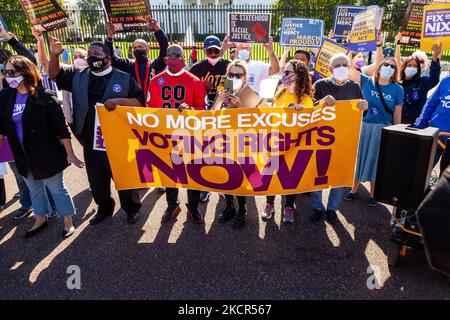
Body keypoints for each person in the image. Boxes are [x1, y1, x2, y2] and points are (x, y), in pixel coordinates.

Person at [48, 36, 144, 225]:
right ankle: (104, 207)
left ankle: (131, 208)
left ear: (108, 58)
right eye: (90, 54)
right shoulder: (77, 75)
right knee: (96, 178)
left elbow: (140, 103)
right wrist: (54, 55)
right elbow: (54, 75)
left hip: (118, 139)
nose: (91, 57)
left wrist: (118, 102)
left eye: (96, 54)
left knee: (123, 175)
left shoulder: (124, 79)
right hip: (90, 138)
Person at [0, 55, 84, 238]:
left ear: (25, 72)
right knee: (34, 188)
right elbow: (1, 127)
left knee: (56, 188)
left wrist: (71, 154)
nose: (7, 76)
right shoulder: (5, 96)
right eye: (4, 72)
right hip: (22, 153)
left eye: (11, 72)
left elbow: (61, 128)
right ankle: (40, 217)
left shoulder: (44, 96)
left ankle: (67, 220)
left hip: (46, 153)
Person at [147, 44, 207, 224]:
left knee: (193, 174)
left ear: (183, 58)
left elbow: (203, 109)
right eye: (170, 56)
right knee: (169, 173)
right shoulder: (155, 81)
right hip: (166, 137)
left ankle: (193, 208)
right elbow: (149, 110)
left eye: (177, 55)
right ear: (165, 59)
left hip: (189, 136)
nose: (174, 59)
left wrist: (190, 110)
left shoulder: (194, 81)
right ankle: (172, 205)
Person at [310, 53, 368, 222]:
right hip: (321, 137)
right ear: (329, 69)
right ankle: (316, 206)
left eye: (345, 64)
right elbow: (309, 112)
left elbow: (359, 115)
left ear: (350, 67)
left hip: (344, 139)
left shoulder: (354, 87)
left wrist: (364, 107)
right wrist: (320, 102)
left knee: (339, 174)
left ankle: (333, 208)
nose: (342, 68)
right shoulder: (320, 85)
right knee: (318, 172)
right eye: (337, 65)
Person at [346, 56, 403, 206]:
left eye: (392, 66)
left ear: (395, 71)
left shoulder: (397, 89)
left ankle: (373, 194)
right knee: (359, 158)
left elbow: (397, 113)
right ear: (379, 66)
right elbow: (348, 68)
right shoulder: (366, 81)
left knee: (375, 161)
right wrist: (351, 48)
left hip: (382, 129)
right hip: (363, 126)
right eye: (386, 64)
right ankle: (354, 189)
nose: (388, 68)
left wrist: (396, 134)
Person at [262, 59, 314, 223]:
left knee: (291, 178)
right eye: (284, 72)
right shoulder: (280, 93)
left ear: (297, 76)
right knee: (270, 175)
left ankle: (288, 207)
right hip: (276, 142)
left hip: (294, 146)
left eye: (287, 72)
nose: (283, 75)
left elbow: (309, 123)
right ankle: (269, 204)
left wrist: (300, 113)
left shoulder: (306, 99)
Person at [189, 35, 230, 203]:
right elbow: (189, 90)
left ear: (221, 50)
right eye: (210, 51)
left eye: (216, 50)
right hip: (203, 114)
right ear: (205, 51)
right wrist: (200, 88)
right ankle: (205, 187)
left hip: (223, 114)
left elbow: (231, 89)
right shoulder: (197, 67)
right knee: (204, 151)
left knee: (222, 150)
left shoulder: (227, 65)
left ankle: (222, 185)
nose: (213, 54)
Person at [211, 60, 252, 228]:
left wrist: (240, 105)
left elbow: (256, 122)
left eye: (238, 75)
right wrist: (220, 101)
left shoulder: (249, 94)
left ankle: (242, 209)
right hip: (222, 142)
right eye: (231, 75)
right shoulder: (222, 93)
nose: (234, 77)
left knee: (240, 178)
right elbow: (210, 117)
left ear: (245, 77)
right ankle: (229, 206)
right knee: (224, 176)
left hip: (242, 143)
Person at [106, 18, 168, 102]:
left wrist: (157, 29)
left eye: (140, 47)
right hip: (134, 105)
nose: (137, 49)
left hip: (153, 104)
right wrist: (110, 37)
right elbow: (111, 58)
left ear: (147, 49)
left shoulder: (156, 64)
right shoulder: (128, 64)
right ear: (132, 50)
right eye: (135, 47)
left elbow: (164, 48)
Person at [398, 44, 441, 124]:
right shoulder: (397, 84)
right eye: (409, 65)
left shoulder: (423, 82)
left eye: (415, 66)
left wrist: (434, 58)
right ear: (404, 67)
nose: (412, 67)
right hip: (398, 124)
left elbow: (434, 79)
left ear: (418, 69)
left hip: (415, 125)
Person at [414, 75, 450, 166]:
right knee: (422, 171)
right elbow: (430, 104)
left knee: (446, 178)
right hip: (436, 135)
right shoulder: (446, 80)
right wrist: (419, 126)